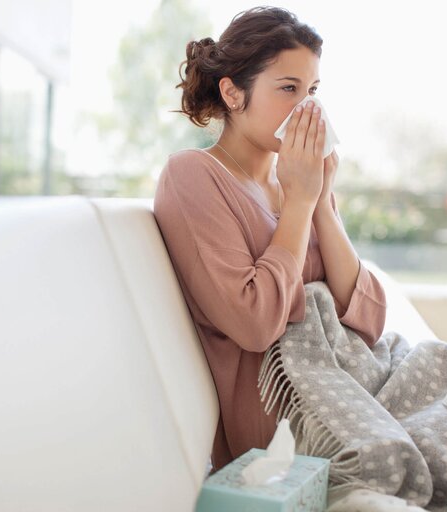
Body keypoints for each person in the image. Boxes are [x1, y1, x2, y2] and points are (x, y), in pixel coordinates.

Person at [153, 6, 387, 474]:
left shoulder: (298, 183)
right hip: (284, 420)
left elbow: (368, 317)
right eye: (288, 89)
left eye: (313, 91)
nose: (308, 108)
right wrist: (300, 203)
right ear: (233, 92)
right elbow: (255, 324)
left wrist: (318, 201)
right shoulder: (194, 176)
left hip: (358, 379)